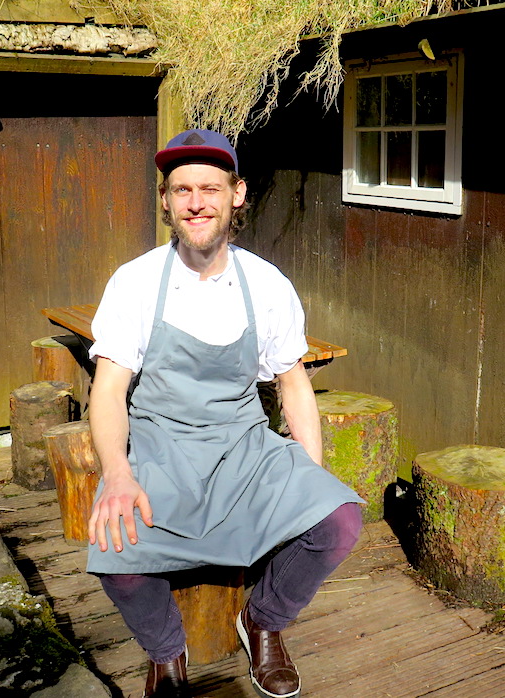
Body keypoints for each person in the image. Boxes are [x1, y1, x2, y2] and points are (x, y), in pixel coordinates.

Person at [85, 128, 364, 698]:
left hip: (243, 445)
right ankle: (167, 651)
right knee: (116, 556)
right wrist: (117, 474)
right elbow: (109, 391)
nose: (196, 203)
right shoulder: (135, 282)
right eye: (182, 190)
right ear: (165, 200)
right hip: (161, 447)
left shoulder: (266, 284)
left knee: (338, 521)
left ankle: (263, 621)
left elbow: (293, 384)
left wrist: (308, 477)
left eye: (209, 189)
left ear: (237, 194)